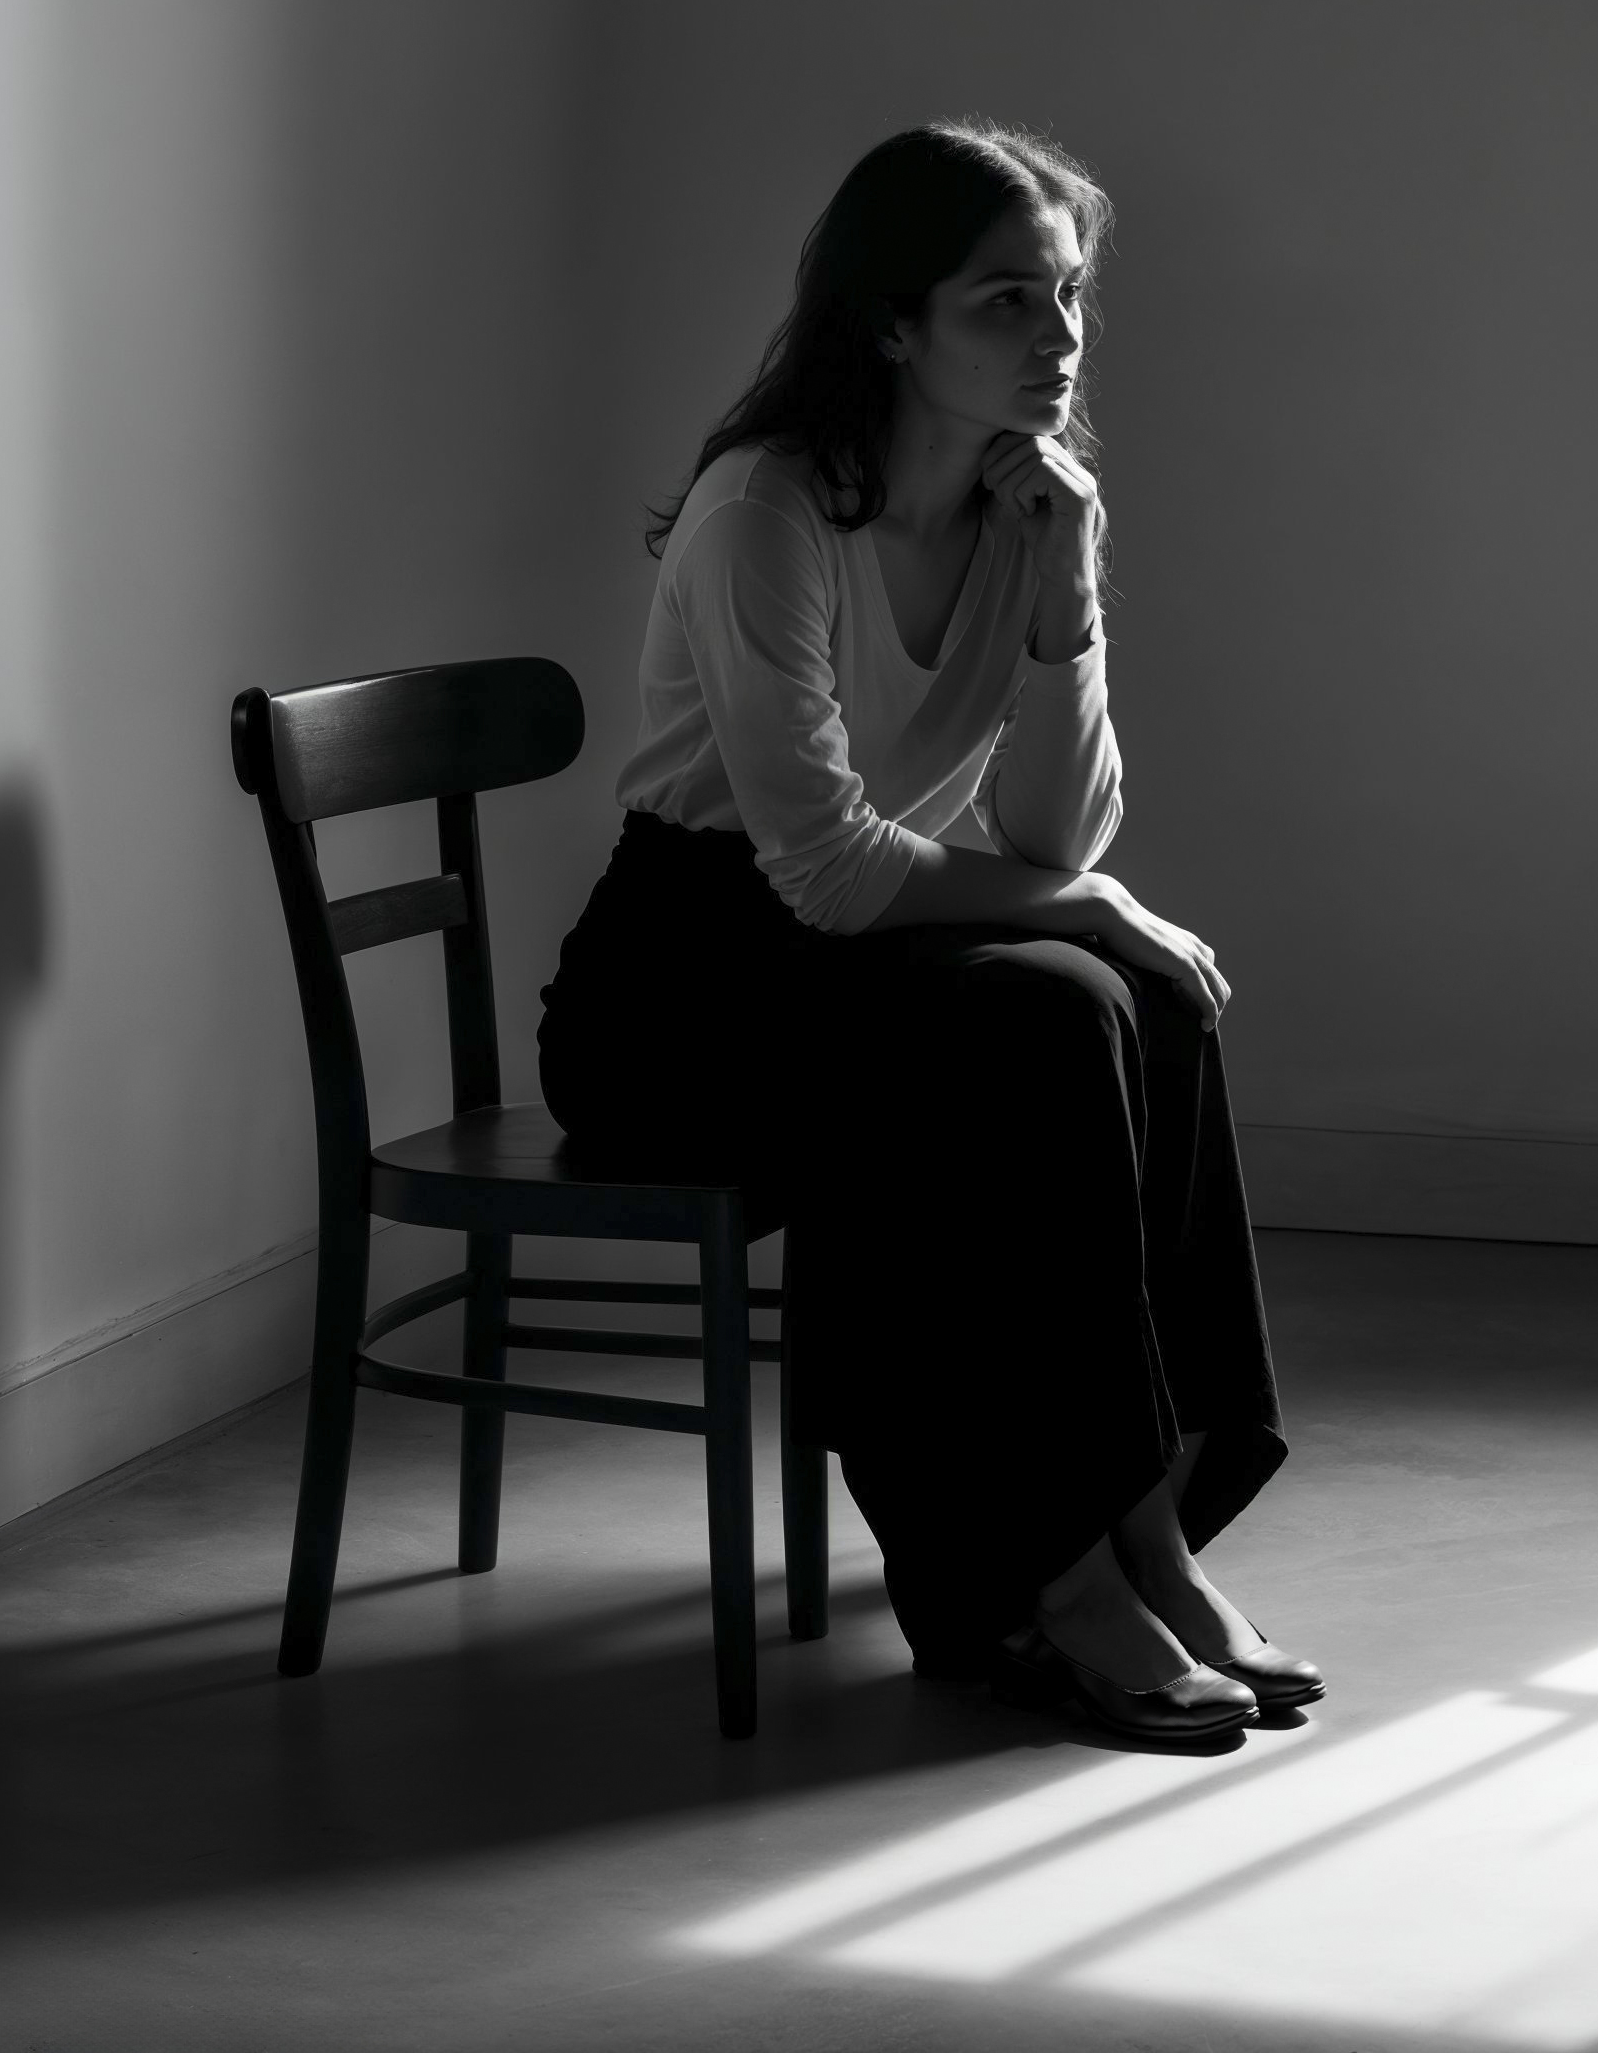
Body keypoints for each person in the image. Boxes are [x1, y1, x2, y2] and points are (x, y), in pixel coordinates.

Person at [534, 121, 1306, 1749]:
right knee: (1056, 1004)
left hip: (866, 948)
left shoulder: (1027, 508)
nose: (1057, 334)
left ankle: (1149, 1532)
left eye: (1068, 293)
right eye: (1005, 298)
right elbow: (820, 872)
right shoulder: (767, 512)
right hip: (683, 988)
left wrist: (1067, 592)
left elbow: (1052, 836)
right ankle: (1049, 1574)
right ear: (894, 323)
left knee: (1145, 1006)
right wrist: (1089, 906)